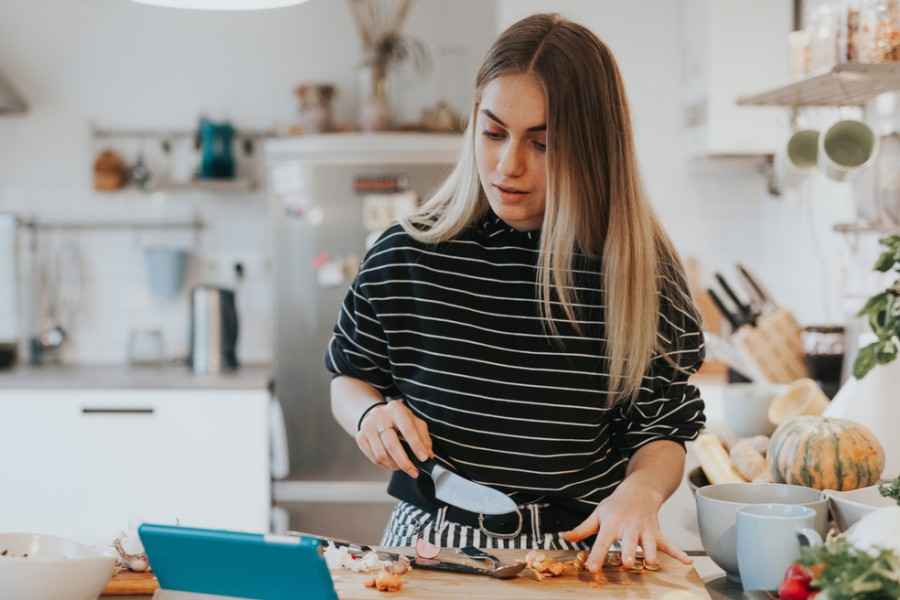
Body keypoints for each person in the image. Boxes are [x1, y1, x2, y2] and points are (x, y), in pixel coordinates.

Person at [325, 13, 705, 573]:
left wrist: (643, 492)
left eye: (544, 143)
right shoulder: (408, 252)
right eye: (494, 132)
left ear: (595, 148)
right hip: (431, 543)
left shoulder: (639, 273)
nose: (508, 166)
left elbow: (662, 429)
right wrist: (368, 416)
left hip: (581, 551)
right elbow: (350, 376)